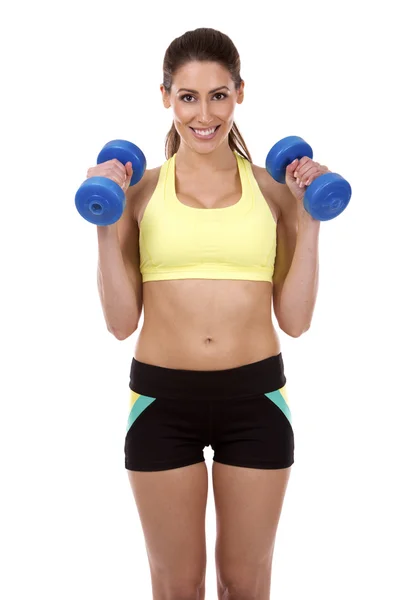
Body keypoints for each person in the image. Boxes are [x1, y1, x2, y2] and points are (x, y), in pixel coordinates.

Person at [93, 27, 329, 600]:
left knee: (245, 583)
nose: (204, 114)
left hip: (256, 401)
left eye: (218, 95)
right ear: (166, 97)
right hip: (160, 402)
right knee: (177, 587)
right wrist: (105, 221)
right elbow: (122, 323)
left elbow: (294, 321)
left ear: (239, 94)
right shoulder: (139, 193)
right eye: (189, 97)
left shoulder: (275, 192)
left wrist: (310, 218)